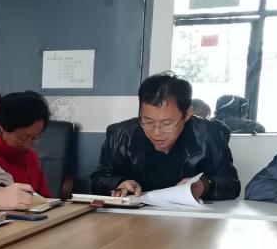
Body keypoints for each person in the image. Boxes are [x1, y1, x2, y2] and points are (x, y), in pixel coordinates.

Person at [90, 73, 241, 200]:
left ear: (187, 114)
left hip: (190, 220)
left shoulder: (212, 135)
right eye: (148, 121)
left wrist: (204, 185)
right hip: (134, 219)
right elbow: (98, 180)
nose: (156, 133)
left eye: (167, 123)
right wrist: (119, 183)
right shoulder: (120, 135)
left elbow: (232, 184)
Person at [0, 91, 53, 197]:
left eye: (35, 138)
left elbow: (45, 197)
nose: (28, 145)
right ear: (3, 127)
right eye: (22, 138)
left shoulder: (31, 156)